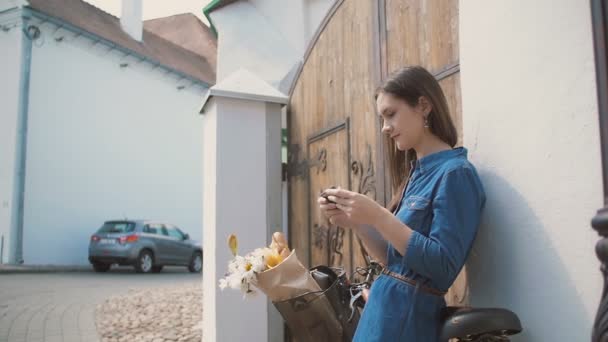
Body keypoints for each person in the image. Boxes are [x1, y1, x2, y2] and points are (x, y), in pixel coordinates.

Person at [318, 66, 486, 341]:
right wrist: (358, 222)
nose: (385, 128)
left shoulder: (455, 174)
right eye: (382, 118)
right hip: (382, 314)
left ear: (423, 105)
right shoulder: (415, 175)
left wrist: (378, 215)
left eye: (390, 114)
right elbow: (393, 260)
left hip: (407, 322)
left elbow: (443, 268)